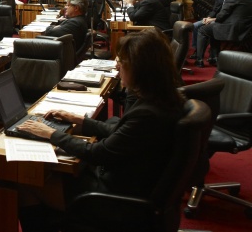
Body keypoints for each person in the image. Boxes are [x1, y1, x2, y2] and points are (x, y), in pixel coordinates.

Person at [15, 29, 184, 232]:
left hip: (115, 201)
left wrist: (50, 133)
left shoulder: (147, 114)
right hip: (131, 186)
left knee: (26, 183)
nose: (117, 65)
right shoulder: (163, 99)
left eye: (122, 61)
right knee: (51, 172)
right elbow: (119, 130)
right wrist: (80, 120)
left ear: (141, 69)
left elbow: (98, 153)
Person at [195, 0, 252, 65]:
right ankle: (214, 57)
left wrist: (211, 19)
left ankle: (199, 60)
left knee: (202, 30)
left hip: (231, 30)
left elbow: (222, 15)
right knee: (213, 28)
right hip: (246, 31)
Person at [190, 0, 232, 66]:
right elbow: (214, 9)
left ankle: (204, 56)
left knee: (204, 28)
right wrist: (208, 17)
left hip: (221, 21)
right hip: (213, 18)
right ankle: (196, 49)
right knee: (195, 25)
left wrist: (212, 20)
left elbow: (227, 15)